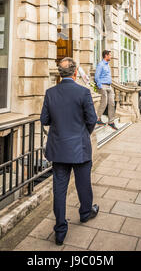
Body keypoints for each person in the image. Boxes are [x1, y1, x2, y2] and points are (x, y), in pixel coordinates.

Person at [41, 57, 99, 246]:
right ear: (75, 73)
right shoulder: (83, 92)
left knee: (59, 189)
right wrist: (83, 134)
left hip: (59, 148)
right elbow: (92, 119)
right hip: (80, 147)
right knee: (83, 184)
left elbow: (45, 120)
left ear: (60, 73)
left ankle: (60, 230)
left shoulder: (50, 93)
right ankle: (85, 213)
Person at [94, 50, 117, 130]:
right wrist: (100, 86)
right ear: (106, 56)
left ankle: (111, 122)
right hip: (103, 86)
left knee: (112, 103)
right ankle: (97, 118)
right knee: (104, 103)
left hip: (109, 86)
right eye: (110, 55)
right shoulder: (101, 64)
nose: (111, 56)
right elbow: (97, 77)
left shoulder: (107, 65)